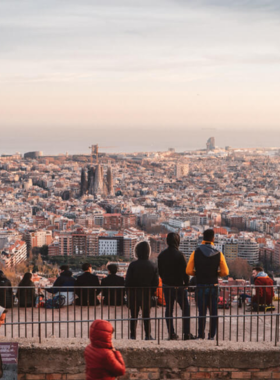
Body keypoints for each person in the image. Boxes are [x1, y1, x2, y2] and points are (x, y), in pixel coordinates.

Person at [186, 229, 229, 340]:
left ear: (203, 238)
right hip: (213, 285)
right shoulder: (219, 253)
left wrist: (198, 273)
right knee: (213, 312)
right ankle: (212, 335)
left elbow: (188, 270)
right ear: (213, 239)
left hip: (200, 285)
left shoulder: (196, 252)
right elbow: (225, 272)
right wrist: (216, 273)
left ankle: (201, 334)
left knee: (202, 312)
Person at [158, 233, 193, 340]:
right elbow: (185, 273)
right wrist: (186, 284)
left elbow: (160, 272)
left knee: (169, 309)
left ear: (167, 241)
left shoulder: (161, 255)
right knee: (185, 309)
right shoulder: (180, 255)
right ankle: (186, 333)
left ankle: (171, 333)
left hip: (167, 286)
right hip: (179, 286)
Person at [125, 241, 159, 340]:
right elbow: (155, 283)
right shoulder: (153, 265)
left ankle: (132, 335)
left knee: (133, 316)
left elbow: (128, 281)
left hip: (134, 293)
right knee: (146, 316)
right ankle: (148, 335)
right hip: (147, 294)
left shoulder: (133, 265)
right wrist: (152, 292)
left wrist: (128, 293)